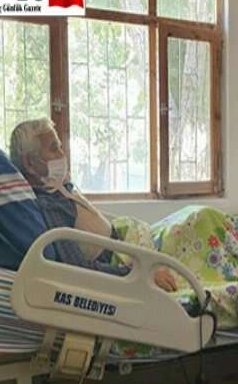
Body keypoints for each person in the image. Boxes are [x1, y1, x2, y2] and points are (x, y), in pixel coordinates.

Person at [9, 118, 178, 291]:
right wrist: (141, 275)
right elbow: (78, 268)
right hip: (122, 257)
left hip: (128, 239)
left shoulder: (58, 191)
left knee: (190, 220)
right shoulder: (50, 206)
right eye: (53, 148)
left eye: (60, 146)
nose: (62, 154)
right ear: (30, 163)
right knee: (193, 224)